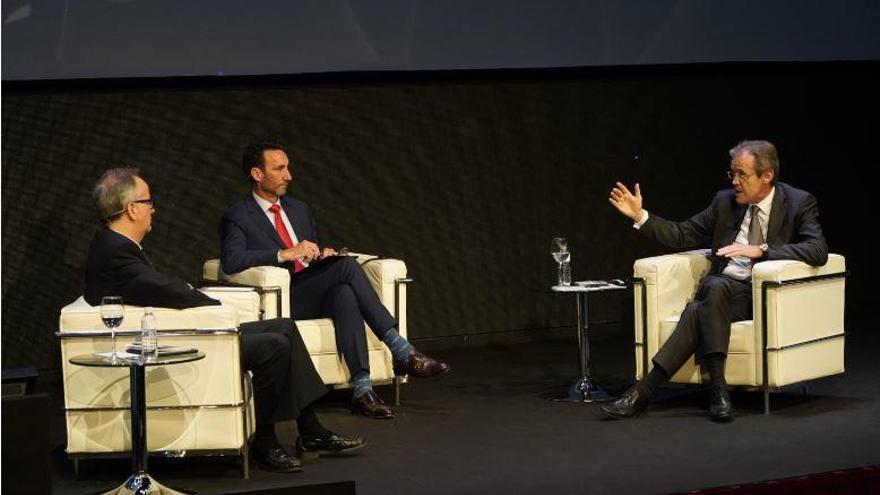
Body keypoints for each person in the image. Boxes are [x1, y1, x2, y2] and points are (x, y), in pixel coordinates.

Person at [84, 168, 365, 473]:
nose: (155, 208)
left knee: (284, 326)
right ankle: (264, 441)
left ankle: (310, 429)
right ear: (132, 208)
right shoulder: (115, 252)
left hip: (175, 329)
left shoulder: (114, 245)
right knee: (273, 345)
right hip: (174, 342)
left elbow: (156, 286)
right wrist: (209, 301)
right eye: (149, 201)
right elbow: (161, 289)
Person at [220, 142, 450, 419]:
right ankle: (402, 350)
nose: (288, 175)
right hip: (283, 297)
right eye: (279, 168)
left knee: (344, 292)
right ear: (257, 174)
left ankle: (362, 391)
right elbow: (232, 261)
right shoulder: (239, 214)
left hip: (310, 286)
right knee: (347, 268)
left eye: (288, 167)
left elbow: (308, 255)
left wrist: (320, 255)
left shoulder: (299, 209)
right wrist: (284, 253)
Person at [605, 140, 828, 422]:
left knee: (702, 303)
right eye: (732, 174)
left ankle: (642, 393)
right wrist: (641, 216)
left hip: (760, 295)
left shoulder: (798, 202)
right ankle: (717, 393)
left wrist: (761, 250)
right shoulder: (724, 202)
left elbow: (818, 250)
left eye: (742, 175)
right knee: (712, 291)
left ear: (767, 175)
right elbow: (682, 234)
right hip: (723, 294)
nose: (735, 181)